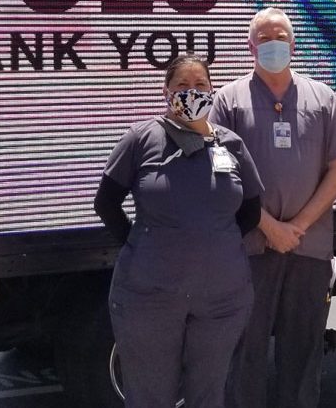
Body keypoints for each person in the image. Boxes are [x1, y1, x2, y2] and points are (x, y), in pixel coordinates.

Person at [210, 7, 336, 408]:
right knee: (245, 352)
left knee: (303, 352)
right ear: (250, 46)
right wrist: (269, 226)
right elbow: (221, 174)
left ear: (293, 45)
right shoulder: (228, 100)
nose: (273, 44)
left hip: (307, 249)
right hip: (248, 248)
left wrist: (296, 226)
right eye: (264, 38)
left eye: (280, 37)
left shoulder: (322, 97)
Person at [95, 54, 264, 408]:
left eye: (200, 85)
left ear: (212, 91)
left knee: (208, 393)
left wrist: (218, 242)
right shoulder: (142, 138)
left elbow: (250, 210)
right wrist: (140, 243)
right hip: (149, 297)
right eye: (182, 86)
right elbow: (107, 202)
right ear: (166, 93)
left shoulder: (230, 144)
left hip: (222, 299)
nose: (191, 93)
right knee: (149, 395)